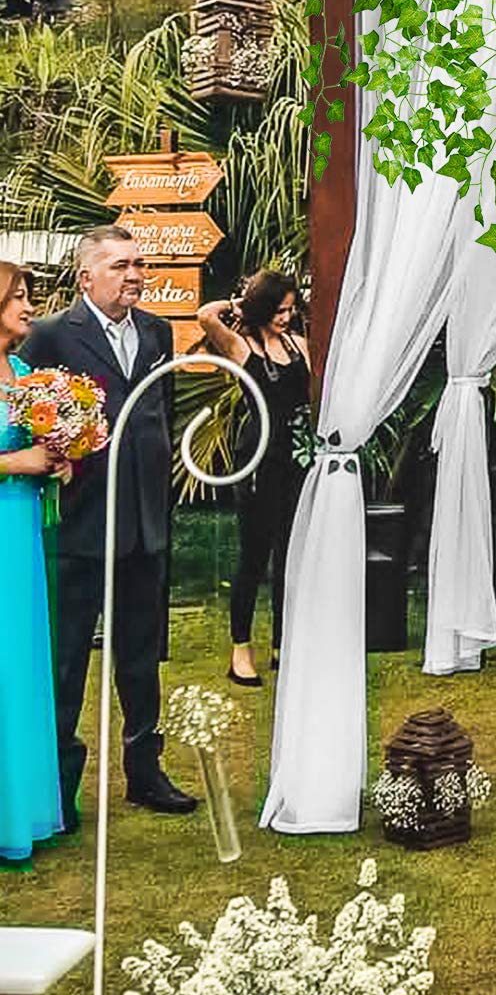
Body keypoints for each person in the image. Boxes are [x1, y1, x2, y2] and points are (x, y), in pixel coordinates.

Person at [20, 226, 197, 824]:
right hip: (79, 524)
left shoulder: (157, 332)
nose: (134, 275)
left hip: (145, 520)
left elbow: (159, 411)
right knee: (67, 660)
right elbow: (26, 415)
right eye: (120, 266)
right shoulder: (49, 336)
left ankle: (145, 772)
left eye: (138, 264)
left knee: (142, 657)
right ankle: (60, 786)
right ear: (86, 276)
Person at [197, 270, 311, 687]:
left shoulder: (299, 346)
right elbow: (206, 315)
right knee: (253, 556)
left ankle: (285, 642)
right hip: (259, 456)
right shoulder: (243, 346)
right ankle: (240, 649)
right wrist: (241, 305)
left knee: (290, 554)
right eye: (278, 309)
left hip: (297, 454)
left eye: (290, 309)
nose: (286, 317)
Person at [0, 263, 69, 861]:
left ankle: (21, 809)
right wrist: (12, 464)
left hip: (23, 531)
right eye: (17, 297)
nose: (29, 306)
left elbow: (40, 447)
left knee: (21, 659)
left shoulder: (25, 374)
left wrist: (56, 462)